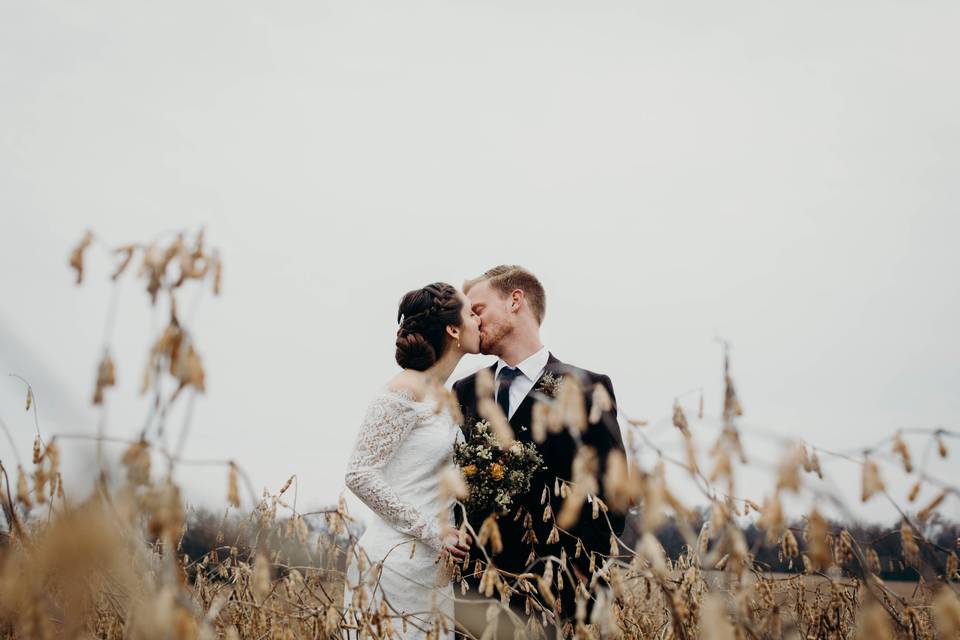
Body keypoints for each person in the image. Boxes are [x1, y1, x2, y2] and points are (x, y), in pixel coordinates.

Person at [452, 265, 626, 638]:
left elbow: (613, 493)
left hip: (553, 595)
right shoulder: (465, 391)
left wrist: (580, 578)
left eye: (477, 309)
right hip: (475, 595)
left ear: (516, 301)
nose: (470, 321)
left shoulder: (585, 387)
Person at [343, 282, 480, 640]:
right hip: (393, 564)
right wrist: (434, 532)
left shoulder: (444, 396)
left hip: (431, 572)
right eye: (470, 313)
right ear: (453, 329)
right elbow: (359, 473)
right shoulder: (404, 388)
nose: (478, 319)